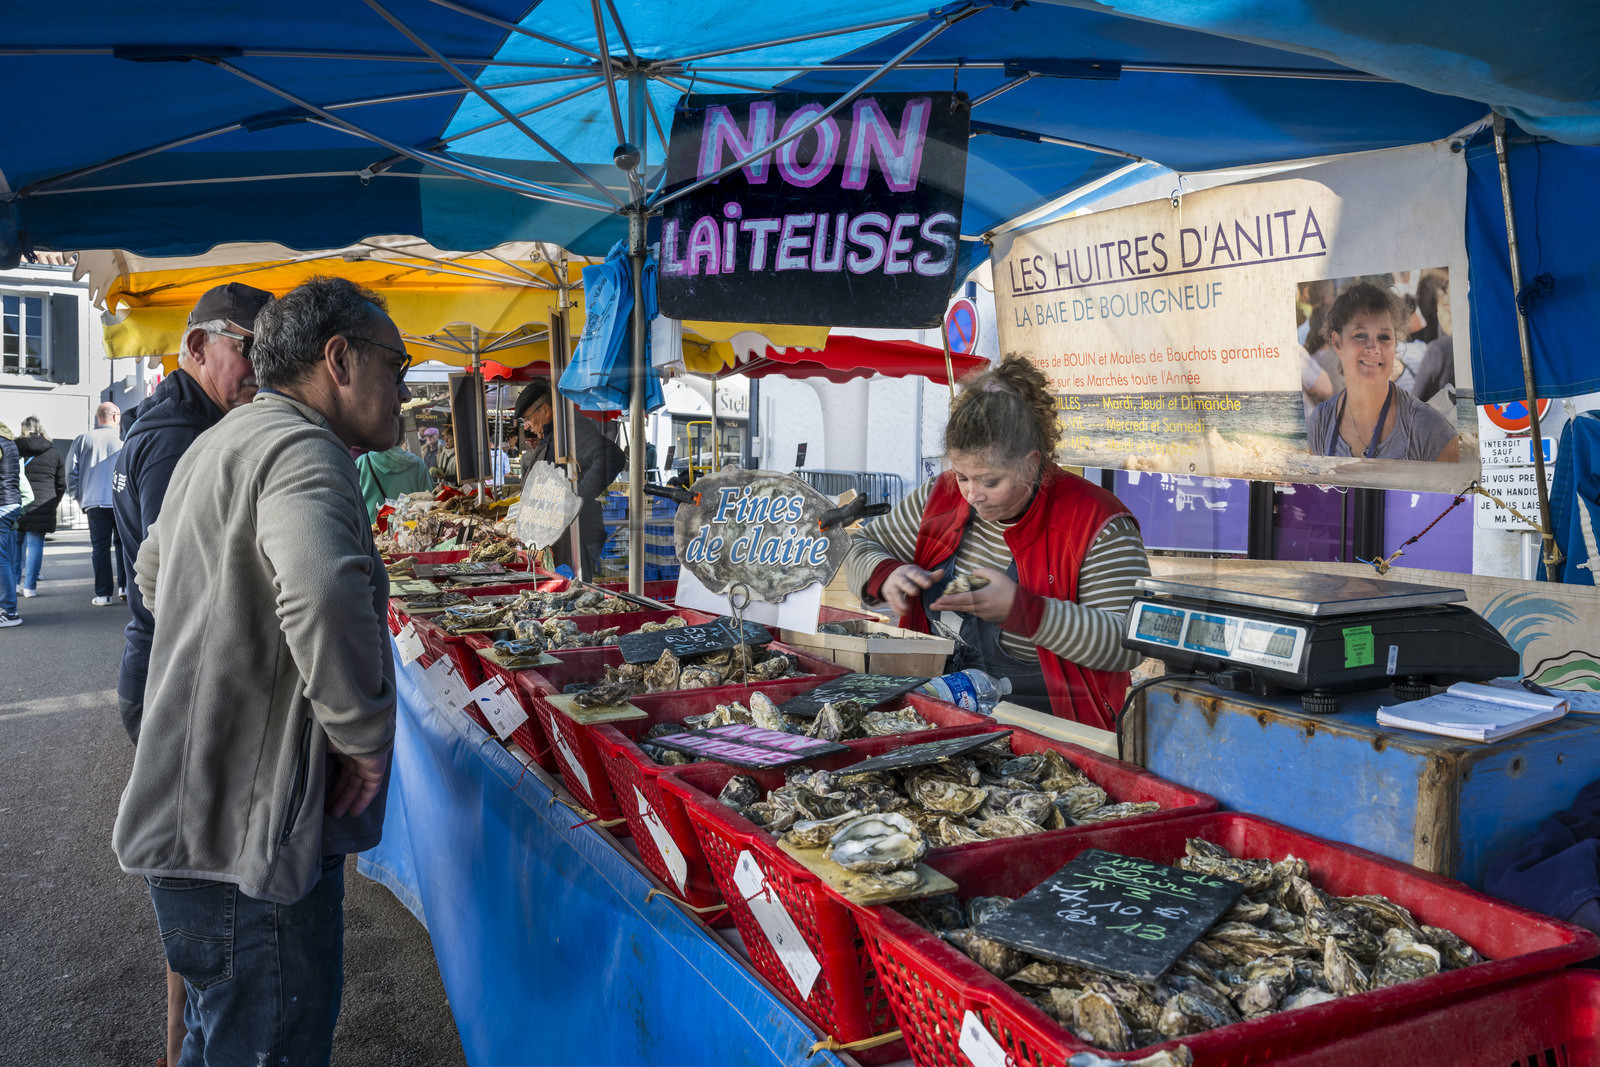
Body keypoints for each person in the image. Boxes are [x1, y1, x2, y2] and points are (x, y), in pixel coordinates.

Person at [113, 276, 407, 1067]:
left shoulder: (220, 439)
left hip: (193, 833)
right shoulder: (301, 447)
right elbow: (320, 586)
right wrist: (365, 733)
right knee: (267, 1043)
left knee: (217, 1039)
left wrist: (237, 636)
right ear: (338, 358)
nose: (405, 388)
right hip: (250, 847)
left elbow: (151, 576)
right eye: (396, 364)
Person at [845, 357, 1151, 729]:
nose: (972, 494)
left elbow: (1127, 641)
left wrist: (1027, 612)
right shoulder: (940, 497)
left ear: (1030, 463)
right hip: (943, 704)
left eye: (989, 481)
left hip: (1059, 726)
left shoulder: (1096, 523)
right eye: (962, 476)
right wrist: (886, 572)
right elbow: (862, 545)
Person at [1306, 281, 1459, 462]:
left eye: (1384, 337)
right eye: (1360, 335)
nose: (1374, 347)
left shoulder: (1430, 430)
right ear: (1338, 344)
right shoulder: (1320, 423)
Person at [515, 381, 625, 580]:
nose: (527, 426)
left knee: (574, 596)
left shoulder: (572, 431)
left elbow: (612, 456)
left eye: (527, 419)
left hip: (576, 536)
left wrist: (574, 498)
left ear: (546, 410)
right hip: (560, 537)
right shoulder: (553, 435)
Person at [68, 401, 125, 604]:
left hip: (94, 501)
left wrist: (77, 495)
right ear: (116, 416)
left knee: (100, 547)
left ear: (97, 417)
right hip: (120, 500)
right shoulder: (123, 439)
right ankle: (125, 588)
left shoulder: (83, 439)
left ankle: (103, 594)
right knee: (123, 545)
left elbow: (71, 472)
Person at [16, 416, 66, 598]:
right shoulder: (53, 452)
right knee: (36, 544)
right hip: (43, 503)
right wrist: (54, 502)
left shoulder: (14, 450)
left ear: (23, 429)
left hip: (18, 502)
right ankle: (30, 587)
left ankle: (15, 584)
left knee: (16, 543)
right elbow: (61, 483)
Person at [355, 444, 434, 523]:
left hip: (373, 531)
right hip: (412, 531)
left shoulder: (362, 462)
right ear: (403, 437)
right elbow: (431, 503)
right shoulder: (419, 465)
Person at [0, 421, 21, 627]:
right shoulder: (7, 439)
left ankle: (9, 611)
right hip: (9, 502)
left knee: (1, 560)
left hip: (2, 503)